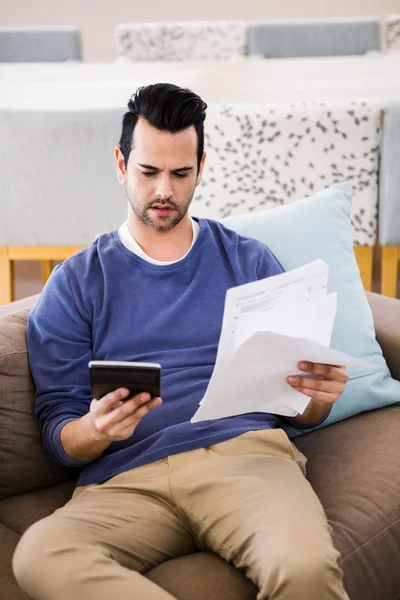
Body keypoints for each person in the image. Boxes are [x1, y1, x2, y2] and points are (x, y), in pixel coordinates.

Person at [13, 83, 350, 600]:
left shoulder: (249, 261)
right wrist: (95, 428)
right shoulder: (77, 282)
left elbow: (295, 409)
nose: (164, 190)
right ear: (121, 164)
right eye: (149, 172)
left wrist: (314, 400)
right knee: (40, 555)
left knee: (303, 569)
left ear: (201, 165)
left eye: (180, 173)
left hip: (244, 457)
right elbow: (60, 432)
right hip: (125, 480)